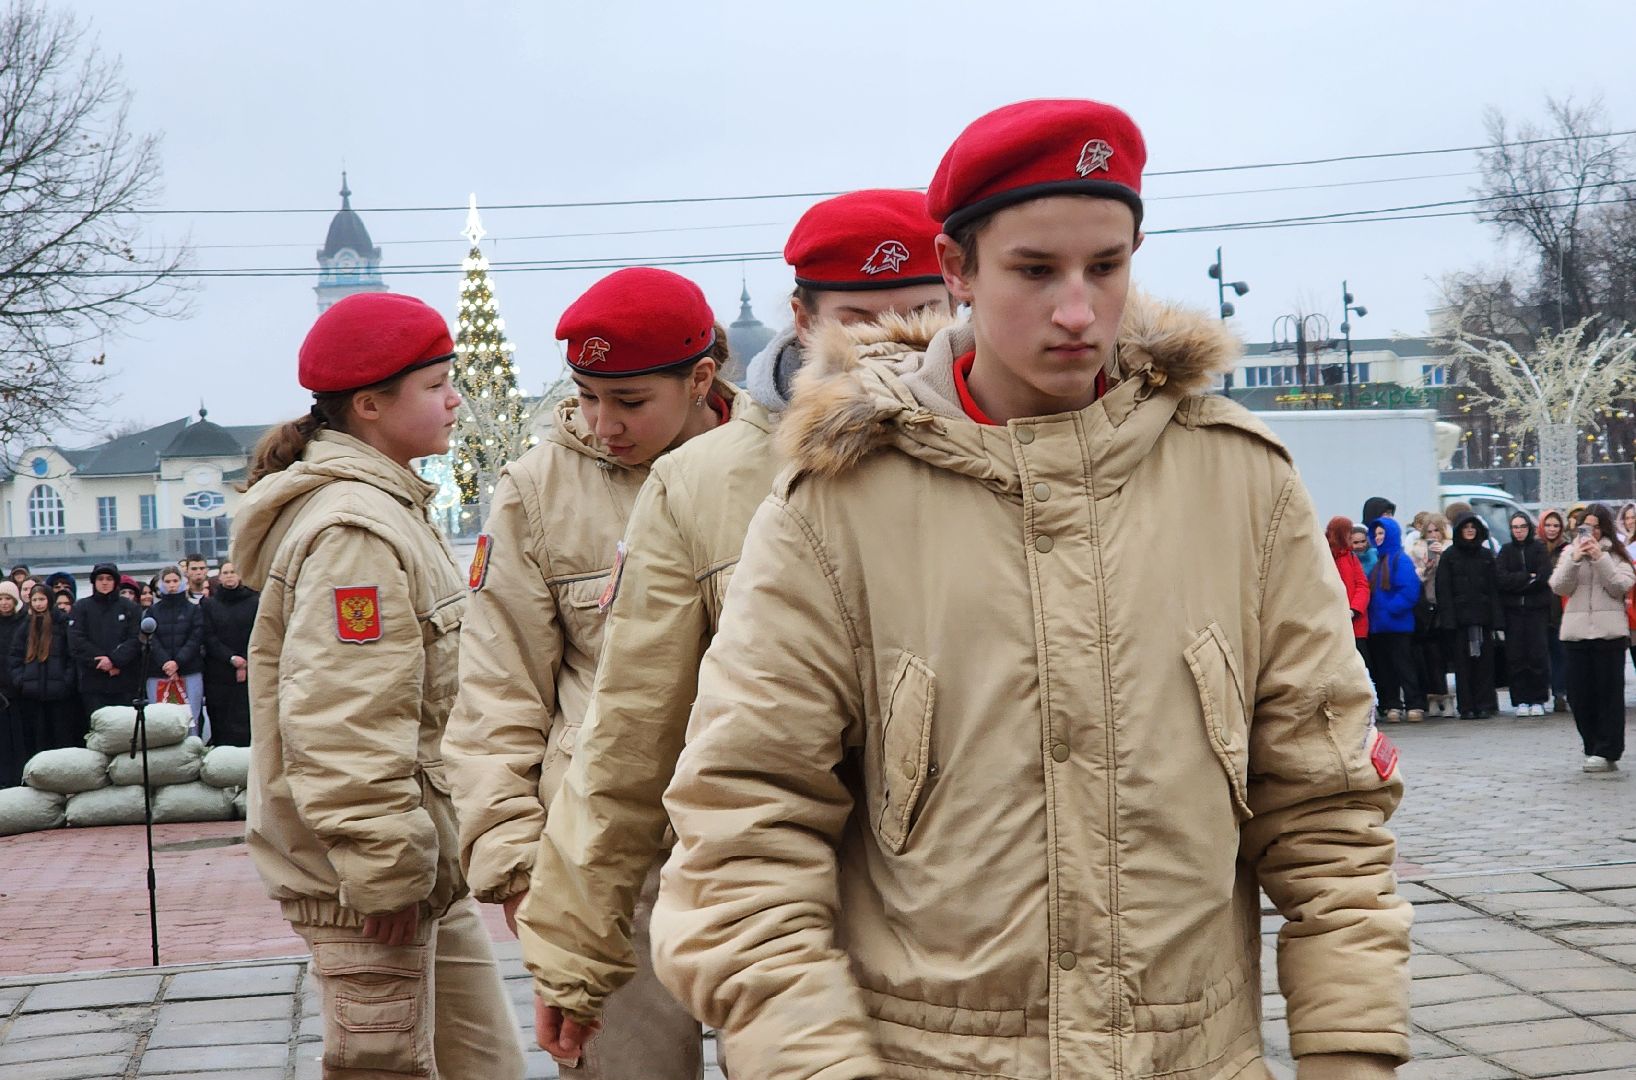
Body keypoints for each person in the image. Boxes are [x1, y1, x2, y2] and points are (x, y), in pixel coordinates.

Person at [646, 99, 1409, 1080]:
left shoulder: (1240, 481)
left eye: (1106, 265)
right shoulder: (834, 506)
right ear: (956, 270)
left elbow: (1330, 813)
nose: (1077, 311)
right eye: (1034, 270)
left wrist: (1350, 1055)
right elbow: (741, 836)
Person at [516, 191, 950, 1064]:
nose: (894, 345)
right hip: (771, 896)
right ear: (802, 317)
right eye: (859, 320)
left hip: (953, 908)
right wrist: (572, 948)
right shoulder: (698, 484)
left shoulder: (1016, 453)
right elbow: (630, 729)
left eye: (924, 315)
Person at [443, 266, 733, 1079]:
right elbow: (498, 689)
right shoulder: (538, 491)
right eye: (586, 395)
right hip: (607, 858)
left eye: (630, 401)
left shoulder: (775, 466)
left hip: (762, 839)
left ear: (701, 378)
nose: (601, 423)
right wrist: (513, 861)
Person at [230, 291, 524, 1077]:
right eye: (435, 385)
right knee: (385, 1065)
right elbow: (344, 716)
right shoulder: (356, 529)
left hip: (417, 867)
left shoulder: (391, 505)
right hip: (371, 886)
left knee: (485, 1064)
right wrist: (386, 871)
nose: (456, 398)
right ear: (368, 405)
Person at [1551, 502, 1636, 773]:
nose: (1591, 532)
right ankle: (1591, 745)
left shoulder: (1618, 555)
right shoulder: (1568, 552)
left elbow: (1620, 586)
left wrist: (1600, 558)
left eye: (1597, 527)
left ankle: (1608, 749)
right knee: (1579, 694)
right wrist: (1575, 559)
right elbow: (1558, 586)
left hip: (1608, 633)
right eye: (1586, 526)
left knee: (1608, 694)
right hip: (1575, 633)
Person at [1436, 514, 1503, 719]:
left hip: (1483, 619)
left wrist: (1497, 619)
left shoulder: (1485, 555)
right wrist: (1448, 619)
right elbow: (1443, 589)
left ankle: (1484, 704)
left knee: (1485, 664)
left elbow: (1494, 589)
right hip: (1460, 621)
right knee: (1462, 665)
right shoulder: (1450, 556)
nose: (1470, 531)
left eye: (1473, 527)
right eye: (1466, 527)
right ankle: (1466, 706)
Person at [66, 562, 140, 732]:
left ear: (115, 582)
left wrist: (115, 661)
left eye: (108, 578)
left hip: (124, 680)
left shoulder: (130, 607)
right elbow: (76, 641)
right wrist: (102, 662)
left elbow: (136, 639)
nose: (104, 582)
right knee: (98, 730)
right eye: (100, 579)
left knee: (125, 730)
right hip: (93, 682)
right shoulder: (81, 607)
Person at [1368, 516, 1426, 722]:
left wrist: (1389, 609)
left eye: (1382, 533)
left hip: (1397, 624)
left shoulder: (1400, 560)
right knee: (1386, 669)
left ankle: (1414, 704)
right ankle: (1392, 704)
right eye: (1376, 534)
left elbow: (1410, 590)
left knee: (1404, 666)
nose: (1378, 537)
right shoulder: (1379, 560)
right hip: (1379, 625)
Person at [10, 585, 78, 754]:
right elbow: (15, 657)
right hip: (32, 694)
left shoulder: (62, 624)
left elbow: (72, 656)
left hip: (59, 694)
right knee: (36, 740)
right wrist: (21, 681)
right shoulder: (25, 626)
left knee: (61, 738)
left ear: (50, 600)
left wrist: (66, 682)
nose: (38, 604)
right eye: (34, 600)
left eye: (42, 599)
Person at [1496, 512, 1553, 716]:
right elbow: (1501, 579)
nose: (1519, 531)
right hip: (1513, 612)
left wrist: (1520, 583)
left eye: (1522, 526)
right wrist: (1524, 579)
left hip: (1536, 610)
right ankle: (1520, 699)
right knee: (1516, 656)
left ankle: (1538, 699)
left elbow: (1543, 576)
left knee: (1537, 655)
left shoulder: (1538, 548)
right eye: (1515, 527)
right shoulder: (1505, 550)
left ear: (1529, 528)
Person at [201, 561, 256, 747]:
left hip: (251, 670)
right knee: (221, 721)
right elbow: (209, 637)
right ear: (220, 577)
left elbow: (259, 634)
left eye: (233, 571)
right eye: (225, 572)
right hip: (220, 672)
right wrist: (232, 659)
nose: (230, 575)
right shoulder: (210, 605)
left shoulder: (255, 601)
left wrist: (245, 662)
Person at [146, 567, 206, 736]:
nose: (171, 585)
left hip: (189, 671)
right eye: (167, 581)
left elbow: (195, 638)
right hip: (159, 672)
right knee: (160, 721)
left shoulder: (194, 610)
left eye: (175, 581)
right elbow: (150, 639)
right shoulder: (152, 611)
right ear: (161, 584)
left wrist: (177, 662)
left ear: (182, 582)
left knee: (191, 719)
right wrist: (166, 662)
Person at [1409, 514, 1454, 718]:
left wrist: (1443, 555)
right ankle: (1434, 697)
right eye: (1430, 531)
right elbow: (1415, 576)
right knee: (1431, 655)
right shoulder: (1416, 549)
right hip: (1426, 605)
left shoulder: (1451, 547)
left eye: (1437, 530)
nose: (1434, 535)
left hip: (1447, 604)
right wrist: (1425, 567)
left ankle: (1448, 697)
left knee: (1447, 654)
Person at [1327, 516, 1371, 664]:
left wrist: (1354, 609)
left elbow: (1362, 585)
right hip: (1333, 623)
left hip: (1355, 621)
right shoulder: (1325, 557)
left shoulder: (1350, 556)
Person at [1538, 509, 1570, 712]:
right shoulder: (1535, 548)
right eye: (1548, 525)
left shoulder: (1567, 549)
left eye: (1556, 525)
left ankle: (1560, 693)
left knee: (1560, 654)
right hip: (1539, 609)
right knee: (1541, 655)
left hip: (1561, 608)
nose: (1552, 529)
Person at [0, 581, 29, 786]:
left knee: (20, 736)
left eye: (8, 598)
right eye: (0, 599)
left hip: (19, 687)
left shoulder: (24, 622)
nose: (3, 603)